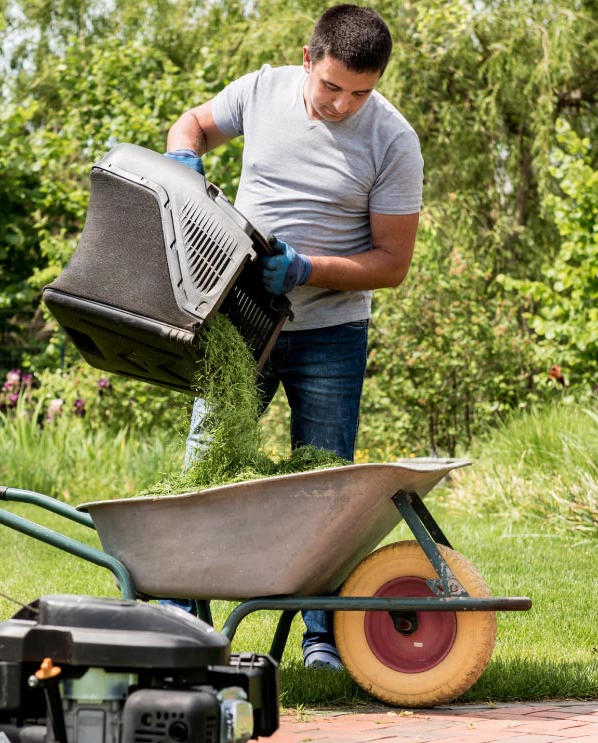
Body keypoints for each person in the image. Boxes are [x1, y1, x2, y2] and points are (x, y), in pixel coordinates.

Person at [162, 4, 422, 671]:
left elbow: (392, 264)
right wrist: (184, 158)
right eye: (332, 86)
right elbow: (193, 122)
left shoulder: (392, 141)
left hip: (332, 334)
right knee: (205, 473)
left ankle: (320, 639)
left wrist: (308, 267)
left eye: (360, 92)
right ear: (308, 59)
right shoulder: (261, 91)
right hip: (240, 326)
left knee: (325, 488)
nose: (342, 104)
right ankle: (186, 632)